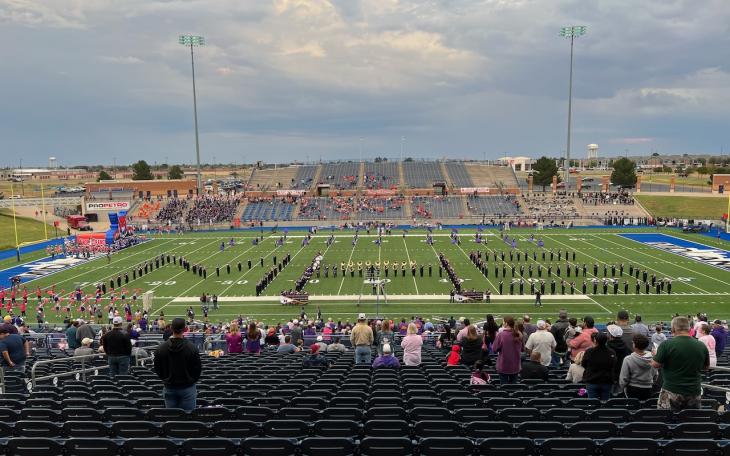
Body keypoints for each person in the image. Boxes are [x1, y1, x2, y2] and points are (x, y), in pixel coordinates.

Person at [652, 316, 709, 411]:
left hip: (671, 390)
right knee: (691, 421)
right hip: (694, 390)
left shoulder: (666, 345)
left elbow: (655, 364)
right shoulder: (701, 345)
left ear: (673, 328)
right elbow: (706, 367)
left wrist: (656, 355)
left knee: (667, 420)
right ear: (689, 328)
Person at [154, 317, 202, 412]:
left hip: (170, 387)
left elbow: (157, 368)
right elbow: (197, 369)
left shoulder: (161, 348)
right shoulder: (191, 347)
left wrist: (166, 379)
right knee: (188, 418)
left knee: (172, 418)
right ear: (184, 329)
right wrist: (191, 380)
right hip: (187, 387)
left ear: (171, 328)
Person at [619, 334, 658, 400]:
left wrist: (623, 387)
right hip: (647, 388)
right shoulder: (653, 359)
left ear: (634, 345)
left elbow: (623, 378)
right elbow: (655, 375)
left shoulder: (628, 359)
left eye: (633, 342)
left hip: (633, 389)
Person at [582, 332, 617, 400]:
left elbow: (584, 364)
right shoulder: (611, 352)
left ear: (595, 340)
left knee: (594, 404)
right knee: (603, 403)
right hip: (601, 381)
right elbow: (584, 364)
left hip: (597, 381)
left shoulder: (590, 351)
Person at [492, 316, 524, 384]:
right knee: (513, 387)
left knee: (504, 388)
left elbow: (494, 349)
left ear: (506, 323)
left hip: (504, 365)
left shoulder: (502, 335)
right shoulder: (519, 334)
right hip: (515, 365)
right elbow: (522, 349)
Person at [606, 324, 631, 391]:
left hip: (609, 379)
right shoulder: (627, 348)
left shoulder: (606, 349)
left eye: (608, 332)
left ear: (611, 335)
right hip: (623, 378)